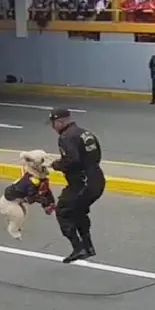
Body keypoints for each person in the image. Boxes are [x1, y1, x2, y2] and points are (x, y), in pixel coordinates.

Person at [48, 108, 105, 263]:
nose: (53, 128)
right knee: (78, 212)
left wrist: (56, 165)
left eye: (53, 124)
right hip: (97, 180)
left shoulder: (66, 137)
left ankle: (78, 248)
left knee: (63, 211)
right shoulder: (85, 133)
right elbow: (97, 154)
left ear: (59, 122)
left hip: (82, 184)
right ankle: (88, 247)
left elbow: (72, 161)